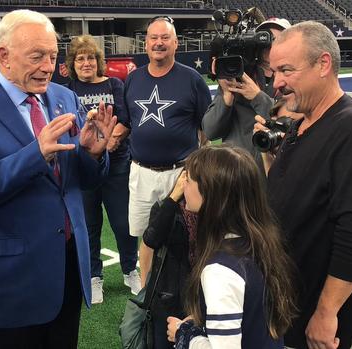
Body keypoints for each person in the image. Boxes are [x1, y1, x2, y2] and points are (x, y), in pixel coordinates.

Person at [0, 10, 116, 348]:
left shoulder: (64, 97)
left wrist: (92, 154)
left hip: (65, 274)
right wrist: (36, 154)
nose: (48, 66)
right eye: (37, 56)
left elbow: (80, 182)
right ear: (4, 55)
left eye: (52, 55)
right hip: (8, 284)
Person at [260, 21, 352, 348]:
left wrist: (326, 312)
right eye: (274, 71)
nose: (276, 82)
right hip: (292, 303)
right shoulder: (303, 123)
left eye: (286, 70)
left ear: (323, 64)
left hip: (328, 321)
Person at [164, 145, 297, 349]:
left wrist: (185, 334)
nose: (183, 185)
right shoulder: (259, 241)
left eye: (188, 179)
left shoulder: (220, 270)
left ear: (211, 195)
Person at [124, 16, 211, 286]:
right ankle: (147, 296)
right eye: (153, 38)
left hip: (181, 173)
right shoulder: (133, 79)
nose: (158, 43)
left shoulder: (192, 79)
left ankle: (189, 289)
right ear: (145, 43)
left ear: (176, 43)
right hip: (142, 172)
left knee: (189, 234)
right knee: (146, 237)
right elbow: (127, 123)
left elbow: (206, 125)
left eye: (165, 38)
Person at [65, 35, 140, 303]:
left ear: (99, 61)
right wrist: (92, 150)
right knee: (89, 225)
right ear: (72, 64)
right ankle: (94, 276)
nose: (86, 63)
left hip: (117, 164)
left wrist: (107, 142)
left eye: (90, 58)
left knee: (123, 223)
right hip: (84, 169)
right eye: (80, 58)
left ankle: (131, 269)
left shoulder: (115, 84)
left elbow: (126, 119)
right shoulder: (68, 90)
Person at [201, 18, 289, 175]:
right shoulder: (238, 76)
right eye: (266, 37)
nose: (270, 44)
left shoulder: (296, 80)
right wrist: (227, 97)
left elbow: (286, 125)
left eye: (278, 39)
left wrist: (257, 97)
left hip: (276, 172)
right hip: (237, 174)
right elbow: (211, 132)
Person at [142, 173, 198, 349]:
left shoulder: (214, 212)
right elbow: (151, 240)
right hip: (168, 298)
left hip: (198, 299)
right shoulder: (166, 208)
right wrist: (173, 198)